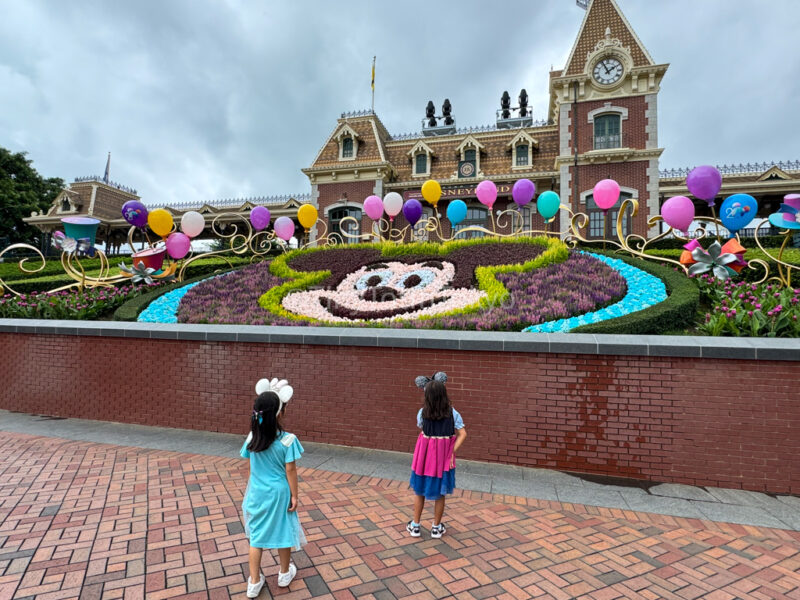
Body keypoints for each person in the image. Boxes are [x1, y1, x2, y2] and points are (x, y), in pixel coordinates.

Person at [240, 378, 305, 597]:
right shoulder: (288, 440)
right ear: (279, 412)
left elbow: (250, 467)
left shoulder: (252, 438)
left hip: (257, 491)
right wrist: (295, 495)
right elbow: (291, 471)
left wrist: (255, 485)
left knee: (256, 536)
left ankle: (254, 582)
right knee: (284, 530)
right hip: (279, 493)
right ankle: (284, 573)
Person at [407, 372, 467, 538]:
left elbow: (421, 427)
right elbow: (463, 433)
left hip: (424, 456)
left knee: (419, 491)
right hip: (442, 458)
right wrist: (451, 450)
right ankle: (436, 527)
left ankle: (415, 526)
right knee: (440, 493)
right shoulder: (453, 413)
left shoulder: (422, 412)